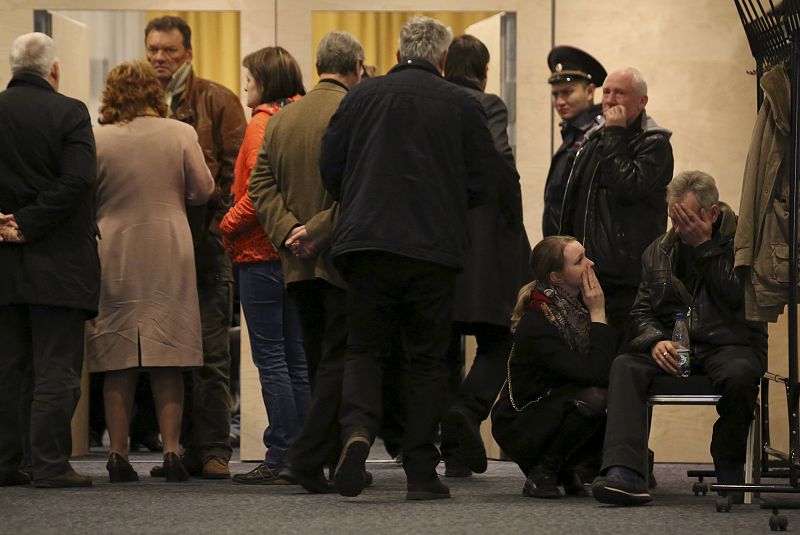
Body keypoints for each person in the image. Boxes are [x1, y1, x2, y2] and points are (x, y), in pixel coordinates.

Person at [320, 16, 520, 501]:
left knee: (365, 349)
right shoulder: (461, 104)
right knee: (428, 360)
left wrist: (359, 199)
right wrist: (450, 204)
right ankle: (420, 472)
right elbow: (487, 178)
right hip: (431, 249)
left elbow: (330, 165)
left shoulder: (361, 97)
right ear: (443, 59)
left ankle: (357, 431)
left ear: (396, 53)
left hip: (365, 244)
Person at [591, 170, 766, 506]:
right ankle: (624, 472)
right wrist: (655, 340)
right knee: (625, 365)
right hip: (676, 346)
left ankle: (729, 463)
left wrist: (705, 248)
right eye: (674, 219)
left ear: (711, 214)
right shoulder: (658, 250)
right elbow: (640, 312)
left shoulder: (743, 245)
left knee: (741, 374)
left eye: (687, 219)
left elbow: (740, 300)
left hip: (730, 344)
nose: (678, 229)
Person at [87, 60, 214, 483]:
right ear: (154, 93)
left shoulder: (98, 138)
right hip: (167, 245)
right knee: (168, 354)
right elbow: (204, 190)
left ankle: (118, 454)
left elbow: (83, 195)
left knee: (117, 355)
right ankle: (173, 450)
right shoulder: (180, 132)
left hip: (115, 248)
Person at [248, 31, 364, 493]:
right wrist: (316, 231)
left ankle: (319, 460)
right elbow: (359, 187)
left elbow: (259, 186)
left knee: (316, 361)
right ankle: (311, 457)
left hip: (294, 263)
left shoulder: (280, 119)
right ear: (357, 67)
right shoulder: (355, 113)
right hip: (341, 257)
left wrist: (289, 231)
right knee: (339, 361)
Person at [145, 15, 247, 479]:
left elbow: (235, 173)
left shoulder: (218, 100)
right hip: (157, 249)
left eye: (168, 50)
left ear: (188, 53)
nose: (159, 59)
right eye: (153, 50)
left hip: (205, 245)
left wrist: (216, 226)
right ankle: (181, 447)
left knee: (210, 355)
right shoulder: (140, 104)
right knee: (169, 354)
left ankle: (213, 450)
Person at [0, 32, 99, 488]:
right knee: (56, 368)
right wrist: (27, 222)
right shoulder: (70, 112)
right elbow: (78, 180)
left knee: (8, 368)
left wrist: (7, 223)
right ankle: (50, 464)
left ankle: (7, 462)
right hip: (59, 264)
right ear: (54, 70)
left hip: (4, 265)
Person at [439, 34, 532, 478]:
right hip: (487, 243)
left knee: (440, 346)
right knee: (501, 337)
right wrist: (515, 221)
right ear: (485, 71)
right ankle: (469, 407)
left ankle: (453, 451)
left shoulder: (434, 103)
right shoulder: (487, 104)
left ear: (445, 65)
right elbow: (500, 163)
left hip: (437, 240)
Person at [219, 46, 309, 485]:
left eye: (250, 78)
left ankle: (281, 454)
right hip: (295, 254)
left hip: (259, 254)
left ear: (266, 82)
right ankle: (307, 452)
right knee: (297, 360)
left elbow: (257, 193)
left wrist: (225, 226)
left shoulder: (262, 123)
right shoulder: (299, 116)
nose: (245, 85)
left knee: (272, 359)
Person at [491, 236, 615, 499]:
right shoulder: (538, 321)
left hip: (551, 407)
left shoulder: (577, 311)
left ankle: (565, 468)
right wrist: (598, 313)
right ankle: (544, 471)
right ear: (557, 277)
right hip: (520, 423)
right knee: (595, 396)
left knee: (618, 394)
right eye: (580, 261)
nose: (591, 263)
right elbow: (595, 374)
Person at [559, 66, 674, 348]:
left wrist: (614, 134)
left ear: (642, 101)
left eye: (619, 93)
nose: (609, 100)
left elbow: (627, 186)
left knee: (617, 354)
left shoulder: (654, 144)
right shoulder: (595, 138)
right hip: (586, 272)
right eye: (607, 91)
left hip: (625, 279)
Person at [542, 46, 605, 238]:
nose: (559, 102)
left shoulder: (598, 135)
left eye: (567, 92)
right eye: (555, 94)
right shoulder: (573, 133)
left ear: (590, 91)